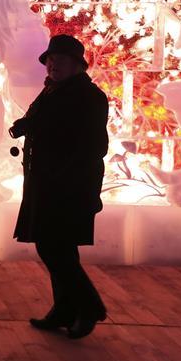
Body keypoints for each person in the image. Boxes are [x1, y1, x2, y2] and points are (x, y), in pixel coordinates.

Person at [10, 34, 109, 339]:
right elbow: (46, 124)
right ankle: (64, 309)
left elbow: (92, 145)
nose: (53, 65)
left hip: (67, 188)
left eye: (60, 60)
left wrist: (62, 174)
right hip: (48, 184)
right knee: (58, 248)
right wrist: (27, 126)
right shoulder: (54, 91)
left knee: (55, 249)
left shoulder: (88, 96)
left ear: (77, 65)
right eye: (50, 60)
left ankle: (88, 307)